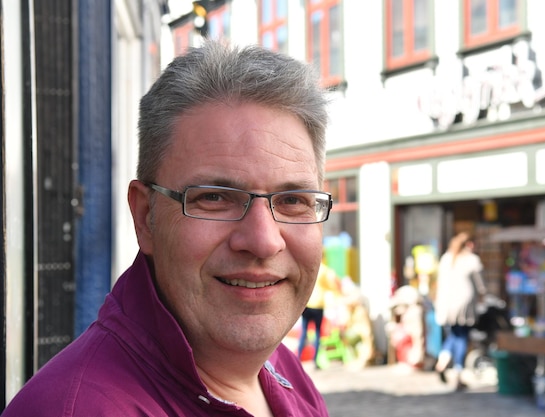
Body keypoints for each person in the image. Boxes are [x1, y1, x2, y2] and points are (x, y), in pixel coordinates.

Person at [2, 40, 332, 417]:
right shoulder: (78, 409)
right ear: (146, 216)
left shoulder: (284, 369)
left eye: (293, 201)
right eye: (215, 198)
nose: (262, 240)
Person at [434, 232, 487, 390]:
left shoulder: (446, 258)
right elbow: (481, 285)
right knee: (462, 337)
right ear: (469, 244)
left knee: (453, 335)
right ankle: (458, 373)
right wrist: (484, 297)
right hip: (464, 305)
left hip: (446, 304)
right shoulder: (471, 260)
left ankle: (442, 361)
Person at [297, 260, 340, 368]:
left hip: (307, 303)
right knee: (317, 333)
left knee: (304, 332)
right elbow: (331, 286)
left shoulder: (308, 266)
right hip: (319, 305)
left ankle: (297, 359)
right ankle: (315, 361)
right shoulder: (325, 270)